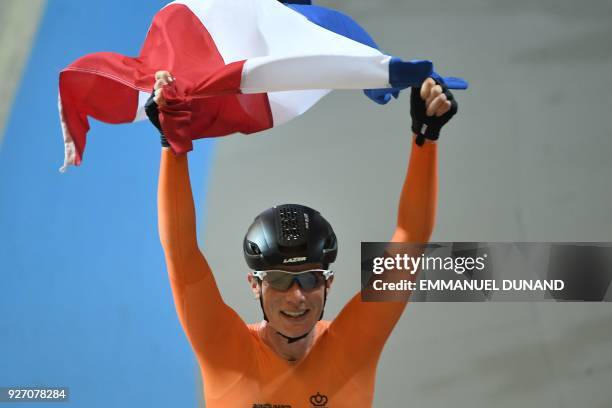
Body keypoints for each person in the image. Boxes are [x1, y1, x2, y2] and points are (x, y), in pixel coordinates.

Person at [147, 70, 457, 407]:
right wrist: (172, 145)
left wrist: (425, 136)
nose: (296, 296)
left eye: (310, 278)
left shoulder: (353, 345)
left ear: (328, 283)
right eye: (280, 280)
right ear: (255, 284)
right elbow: (180, 251)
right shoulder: (223, 348)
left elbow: (411, 238)